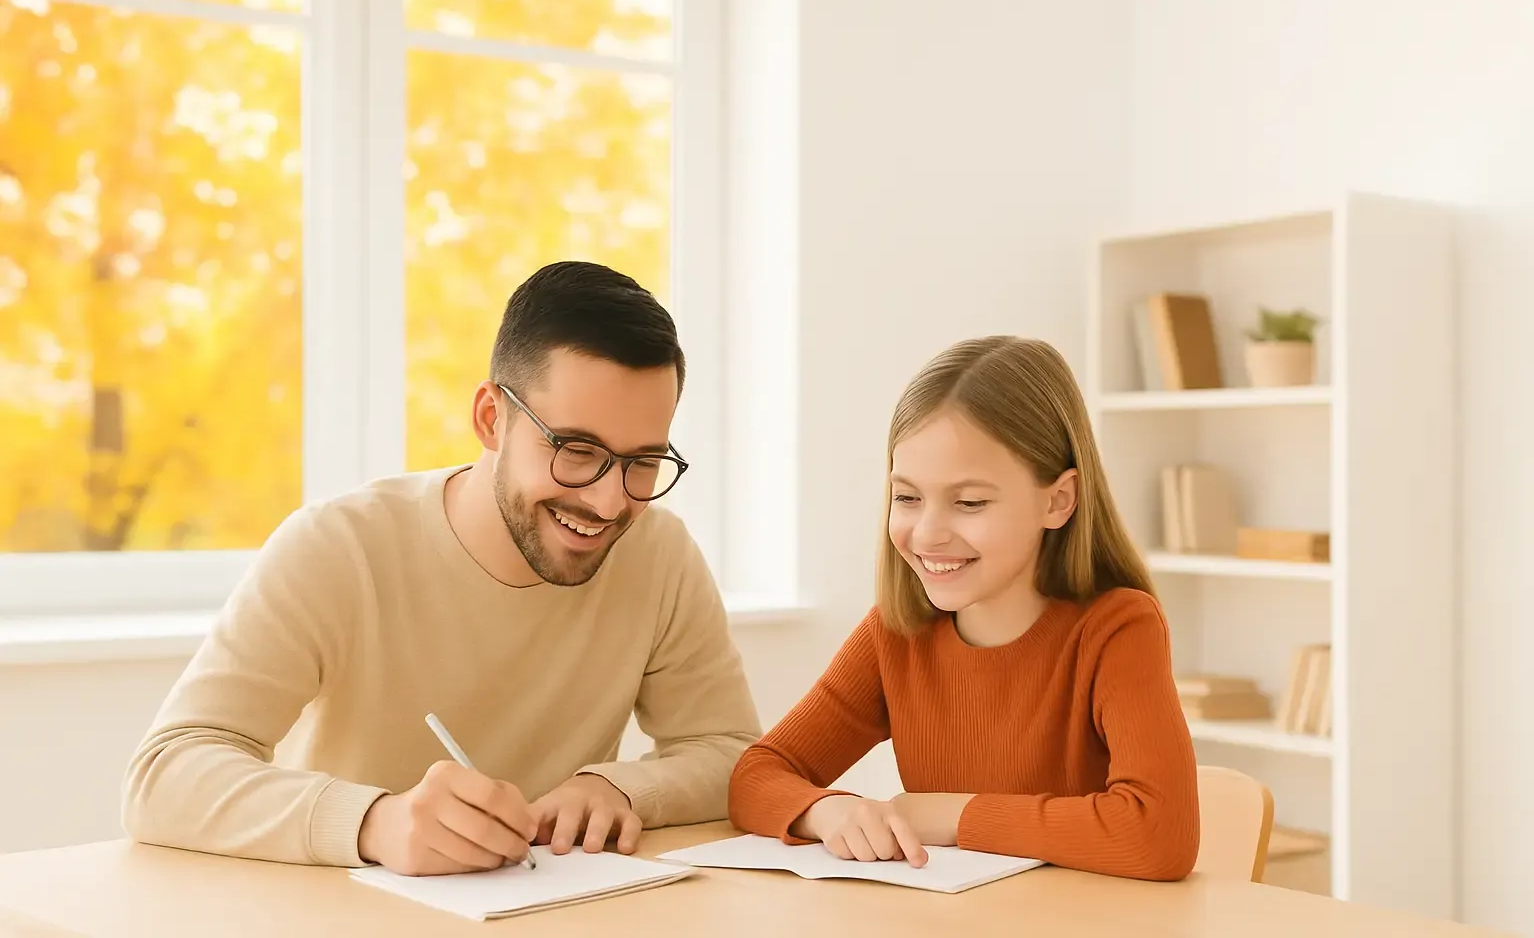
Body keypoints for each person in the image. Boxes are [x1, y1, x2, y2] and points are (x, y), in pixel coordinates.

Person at [123, 261, 762, 876]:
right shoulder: (338, 547)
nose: (610, 500)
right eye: (577, 450)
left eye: (643, 461)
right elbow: (165, 774)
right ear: (491, 418)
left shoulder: (658, 552)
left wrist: (621, 787)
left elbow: (735, 756)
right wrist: (374, 823)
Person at [726, 335, 1199, 882]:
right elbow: (756, 776)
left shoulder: (1117, 629)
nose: (928, 532)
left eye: (970, 502)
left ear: (1058, 500)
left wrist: (950, 813)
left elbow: (1157, 837)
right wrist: (825, 811)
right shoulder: (897, 633)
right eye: (907, 498)